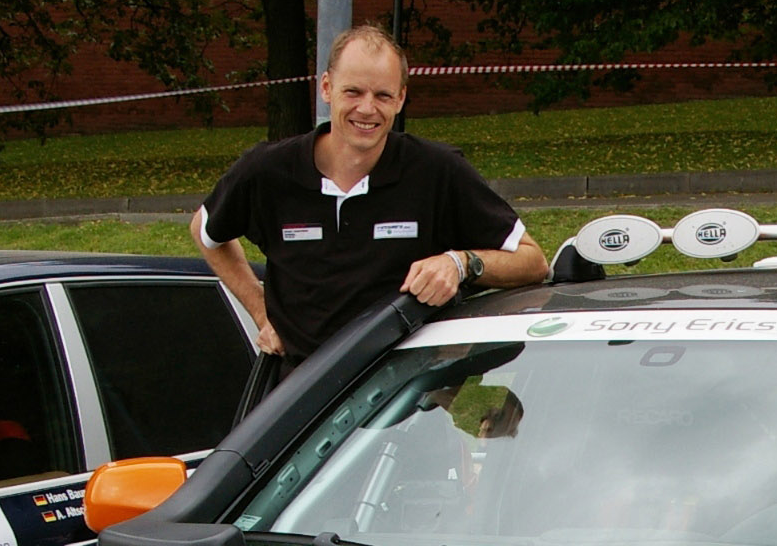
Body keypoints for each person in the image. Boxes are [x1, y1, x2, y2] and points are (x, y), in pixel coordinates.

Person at [194, 25, 550, 365]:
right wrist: (261, 312)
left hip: (401, 398)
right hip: (301, 394)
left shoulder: (437, 171)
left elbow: (533, 262)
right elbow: (205, 231)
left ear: (401, 98)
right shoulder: (268, 171)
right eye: (353, 92)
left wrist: (460, 264)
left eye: (382, 95)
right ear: (326, 88)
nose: (367, 109)